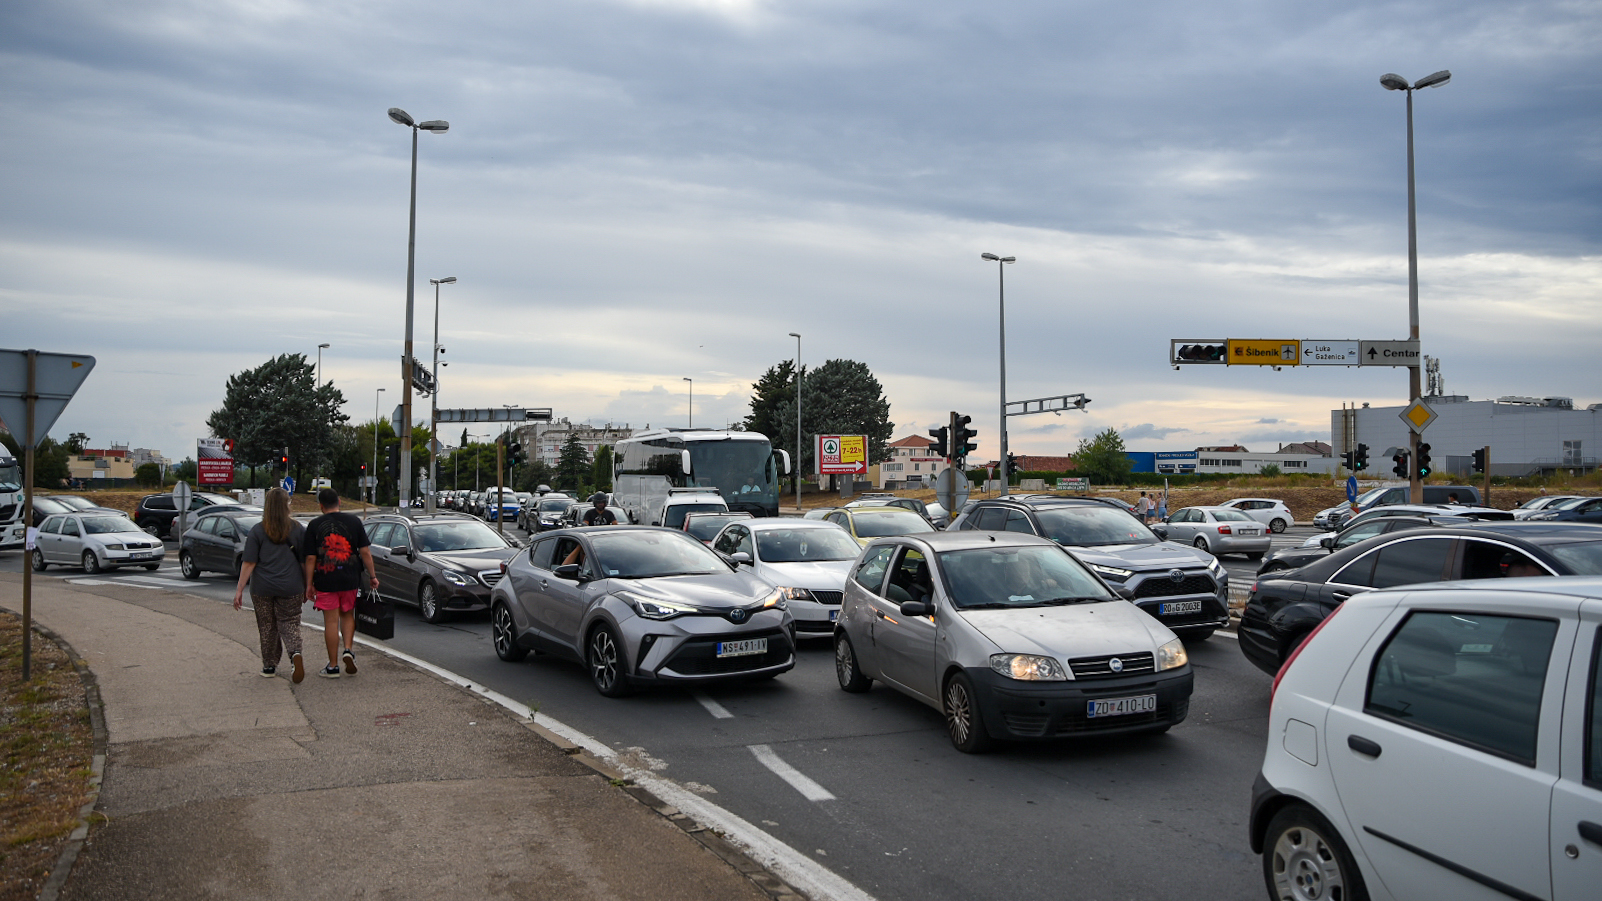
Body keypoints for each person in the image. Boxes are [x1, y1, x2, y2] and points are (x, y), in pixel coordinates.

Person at [302, 487, 378, 679]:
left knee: (330, 621)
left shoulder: (314, 525)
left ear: (321, 506)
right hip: (350, 578)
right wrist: (372, 576)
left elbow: (310, 558)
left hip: (325, 579)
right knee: (348, 615)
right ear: (340, 502)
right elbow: (365, 552)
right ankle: (348, 649)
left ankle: (333, 666)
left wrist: (309, 584)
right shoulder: (355, 521)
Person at [232, 488, 308, 681]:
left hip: (262, 588)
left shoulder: (257, 531)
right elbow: (304, 562)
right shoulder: (298, 529)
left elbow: (249, 563)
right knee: (290, 622)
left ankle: (269, 666)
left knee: (267, 626)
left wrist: (239, 590)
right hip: (291, 586)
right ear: (286, 505)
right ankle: (295, 653)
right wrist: (308, 585)